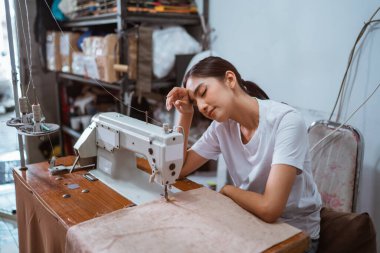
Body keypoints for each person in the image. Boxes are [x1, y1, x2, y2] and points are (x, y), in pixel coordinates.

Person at [166, 56, 322, 253]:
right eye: (197, 103)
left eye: (203, 92)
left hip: (295, 234)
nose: (203, 106)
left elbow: (270, 209)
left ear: (230, 80)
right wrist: (186, 114)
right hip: (249, 221)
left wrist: (228, 190)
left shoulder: (286, 121)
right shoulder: (221, 128)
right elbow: (178, 169)